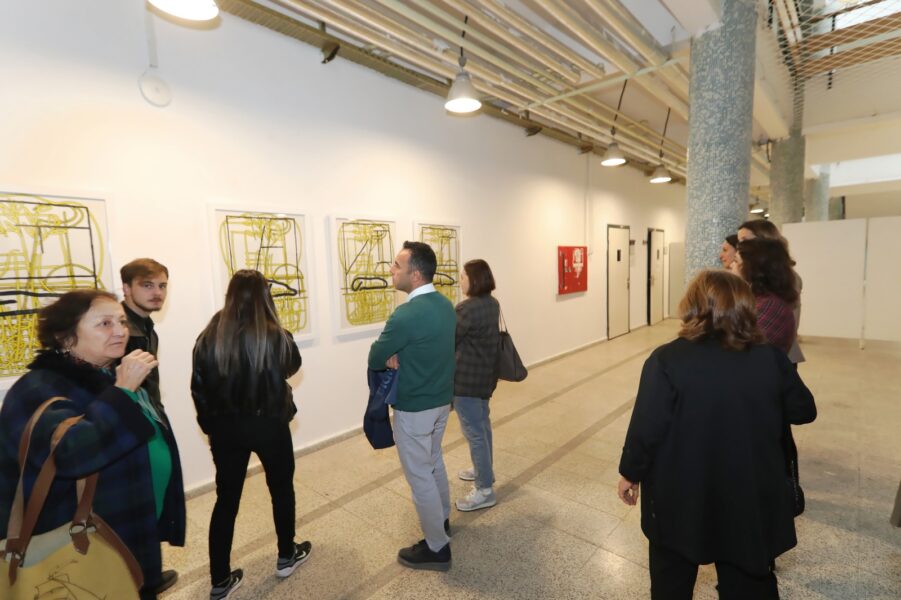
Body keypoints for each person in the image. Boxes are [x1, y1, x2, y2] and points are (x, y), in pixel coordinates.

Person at [617, 270, 816, 599]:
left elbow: (646, 428)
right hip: (748, 494)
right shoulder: (769, 358)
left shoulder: (666, 359)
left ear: (692, 306)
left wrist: (630, 473)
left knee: (671, 581)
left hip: (680, 495)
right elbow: (803, 410)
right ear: (746, 307)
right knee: (747, 582)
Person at [0, 289, 183, 600]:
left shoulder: (106, 376)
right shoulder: (37, 389)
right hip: (77, 545)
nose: (121, 331)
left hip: (128, 527)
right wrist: (123, 391)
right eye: (105, 323)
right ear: (65, 337)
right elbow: (71, 455)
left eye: (122, 322)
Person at [191, 270, 308, 600]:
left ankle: (220, 580)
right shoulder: (274, 334)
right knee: (281, 490)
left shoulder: (209, 335)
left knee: (226, 500)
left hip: (225, 430)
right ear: (264, 295)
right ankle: (286, 556)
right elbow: (292, 366)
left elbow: (198, 387)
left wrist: (211, 427)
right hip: (269, 424)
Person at [368, 241, 456, 571]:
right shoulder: (445, 305)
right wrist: (399, 354)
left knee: (420, 476)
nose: (391, 270)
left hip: (415, 407)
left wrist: (391, 356)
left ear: (415, 274)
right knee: (434, 461)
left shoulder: (406, 314)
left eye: (396, 265)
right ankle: (442, 522)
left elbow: (375, 357)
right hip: (440, 402)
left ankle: (437, 548)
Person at [120, 258, 185, 594]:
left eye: (162, 286)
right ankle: (141, 581)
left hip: (147, 420)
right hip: (130, 430)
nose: (157, 293)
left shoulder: (146, 328)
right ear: (126, 288)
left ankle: (149, 574)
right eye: (147, 285)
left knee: (151, 505)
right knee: (138, 508)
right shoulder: (124, 334)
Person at [453, 259, 501, 512]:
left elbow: (450, 339)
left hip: (466, 381)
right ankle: (484, 469)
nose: (459, 281)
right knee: (482, 427)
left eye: (462, 277)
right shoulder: (492, 303)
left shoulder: (466, 308)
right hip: (485, 377)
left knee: (474, 432)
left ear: (474, 280)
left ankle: (484, 490)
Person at [737, 220, 805, 363]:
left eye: (745, 240)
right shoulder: (758, 280)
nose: (739, 246)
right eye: (739, 241)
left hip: (778, 356)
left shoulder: (785, 280)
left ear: (764, 240)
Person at [732, 238, 799, 354]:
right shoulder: (759, 300)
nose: (731, 266)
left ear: (751, 268)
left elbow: (744, 347)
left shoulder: (771, 306)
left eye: (736, 261)